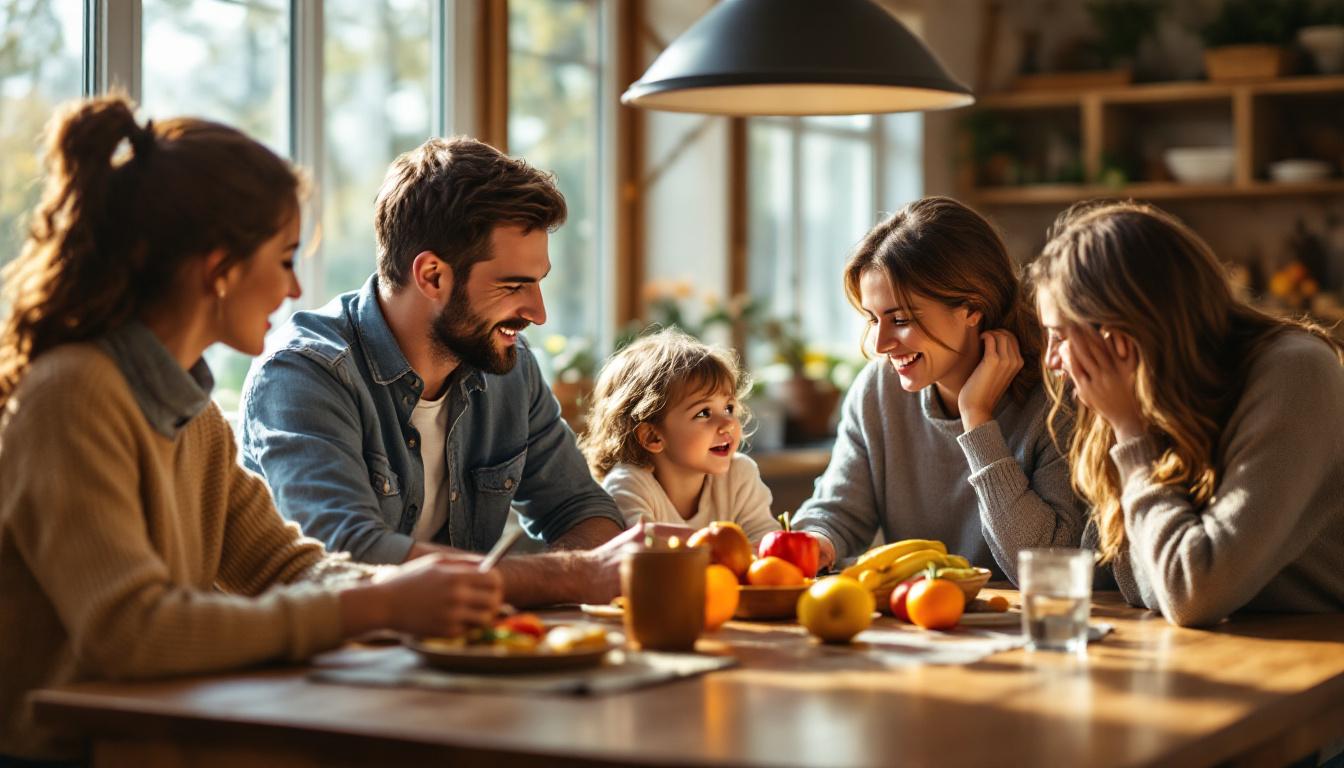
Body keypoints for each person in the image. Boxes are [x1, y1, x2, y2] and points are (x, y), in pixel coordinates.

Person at [0, 96, 502, 763]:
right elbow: (131, 631)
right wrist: (377, 608)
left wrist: (404, 591)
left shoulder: (195, 417)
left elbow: (282, 566)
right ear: (220, 269)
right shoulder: (73, 394)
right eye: (286, 258)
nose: (294, 289)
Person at [240, 136, 629, 607]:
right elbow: (346, 556)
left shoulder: (509, 367)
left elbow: (582, 510)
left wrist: (579, 570)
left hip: (459, 645)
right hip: (327, 650)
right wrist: (570, 576)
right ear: (432, 276)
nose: (538, 313)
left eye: (538, 283)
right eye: (514, 286)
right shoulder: (304, 372)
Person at [1030, 200, 1344, 627]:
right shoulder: (1158, 394)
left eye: (1059, 336)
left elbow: (1192, 593)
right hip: (1230, 644)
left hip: (1320, 646)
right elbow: (1127, 580)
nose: (1052, 360)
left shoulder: (1296, 372)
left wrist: (1132, 434)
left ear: (1123, 330)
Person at [791, 197, 1085, 583]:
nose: (880, 344)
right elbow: (837, 512)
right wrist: (816, 540)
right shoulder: (878, 391)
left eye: (900, 319)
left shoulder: (1058, 399)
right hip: (920, 614)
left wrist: (977, 421)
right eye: (873, 319)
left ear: (972, 308)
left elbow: (1050, 569)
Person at [580, 328, 780, 545]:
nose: (728, 424)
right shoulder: (629, 485)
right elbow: (645, 552)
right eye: (703, 413)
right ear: (652, 437)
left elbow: (765, 543)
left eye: (728, 408)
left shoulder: (740, 474)